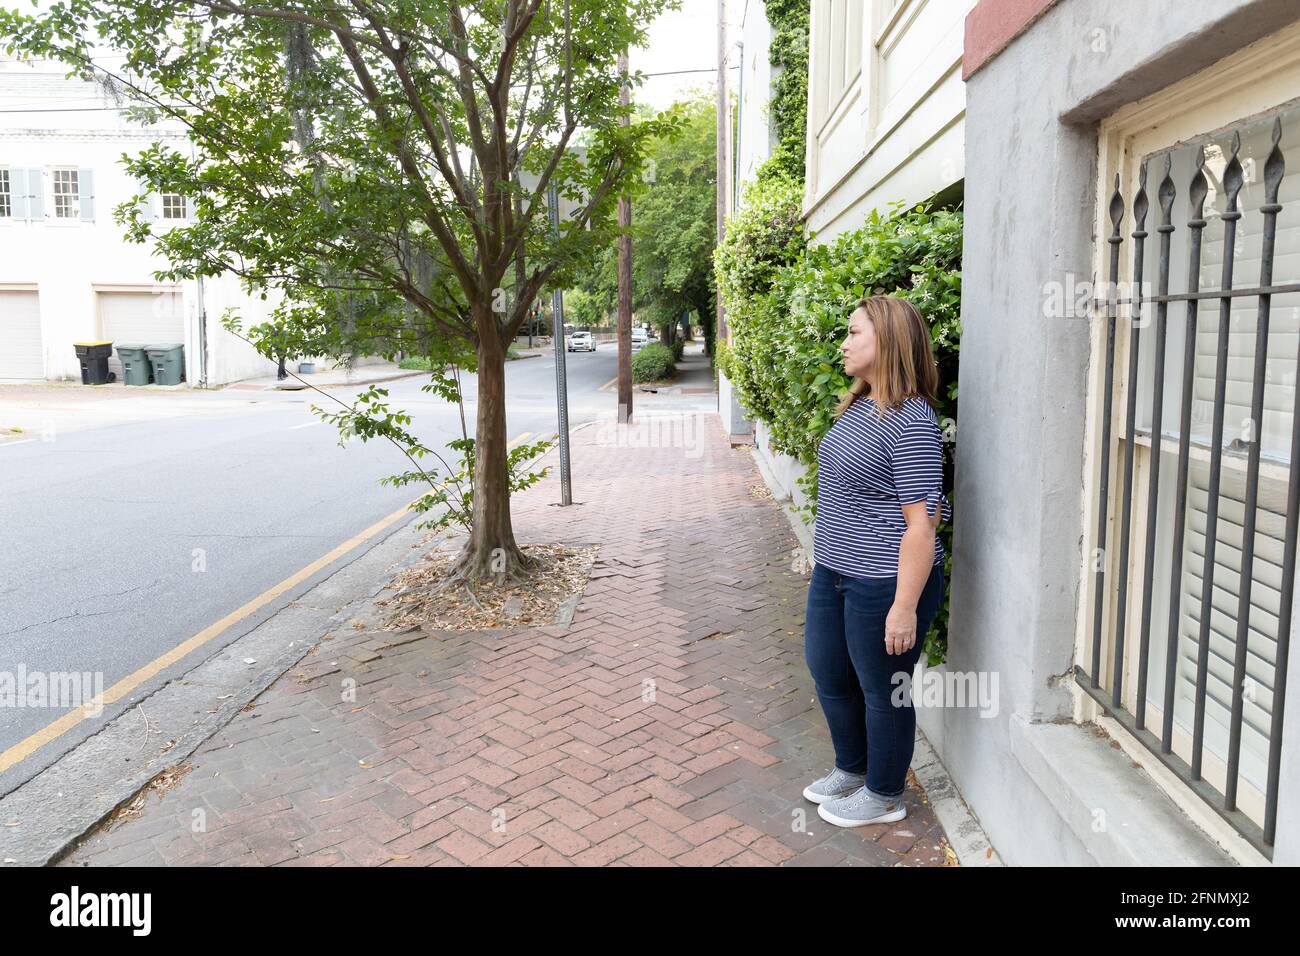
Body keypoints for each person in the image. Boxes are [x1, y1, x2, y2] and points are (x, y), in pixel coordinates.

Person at [801, 295, 951, 828]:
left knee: (885, 691)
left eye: (854, 333)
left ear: (887, 342)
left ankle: (885, 795)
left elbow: (921, 523)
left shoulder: (912, 419)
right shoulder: (860, 405)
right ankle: (854, 768)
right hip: (835, 570)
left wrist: (904, 607)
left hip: (884, 580)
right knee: (827, 669)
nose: (843, 342)